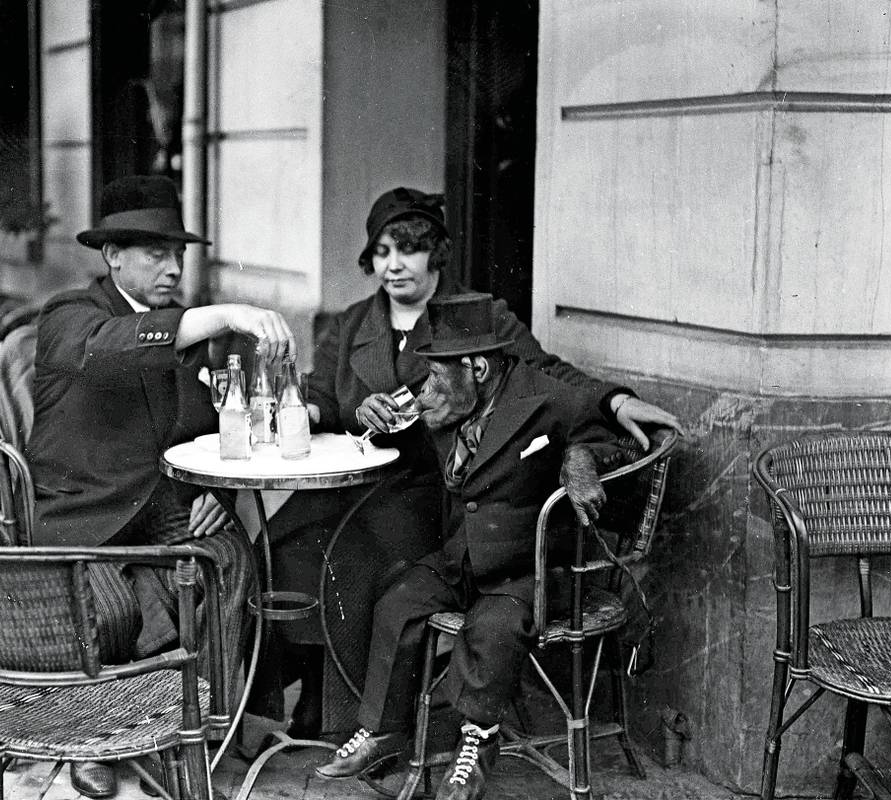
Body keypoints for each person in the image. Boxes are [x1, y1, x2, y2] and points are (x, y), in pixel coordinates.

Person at [267, 187, 681, 740]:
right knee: (280, 548)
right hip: (355, 478)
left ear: (435, 252)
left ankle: (353, 723)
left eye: (409, 250)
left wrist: (614, 400)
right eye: (384, 252)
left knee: (350, 561)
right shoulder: (352, 324)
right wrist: (303, 411)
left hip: (432, 492)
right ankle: (306, 695)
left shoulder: (478, 317)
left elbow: (546, 376)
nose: (395, 266)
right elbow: (320, 394)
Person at [25, 175, 296, 799]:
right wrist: (225, 314)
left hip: (162, 506)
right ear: (112, 256)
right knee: (117, 610)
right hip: (82, 514)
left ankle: (204, 721)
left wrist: (214, 493)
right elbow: (107, 350)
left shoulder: (188, 331)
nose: (174, 267)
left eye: (179, 253)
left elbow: (206, 428)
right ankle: (93, 738)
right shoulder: (71, 314)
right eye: (155, 253)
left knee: (230, 555)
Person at [314, 292, 624, 800]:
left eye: (437, 375)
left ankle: (476, 745)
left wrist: (582, 459)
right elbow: (399, 426)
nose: (426, 386)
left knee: (492, 626)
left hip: (530, 571)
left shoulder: (544, 397)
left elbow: (608, 439)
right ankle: (384, 730)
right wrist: (364, 411)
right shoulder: (446, 399)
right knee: (398, 602)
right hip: (462, 559)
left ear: (477, 367)